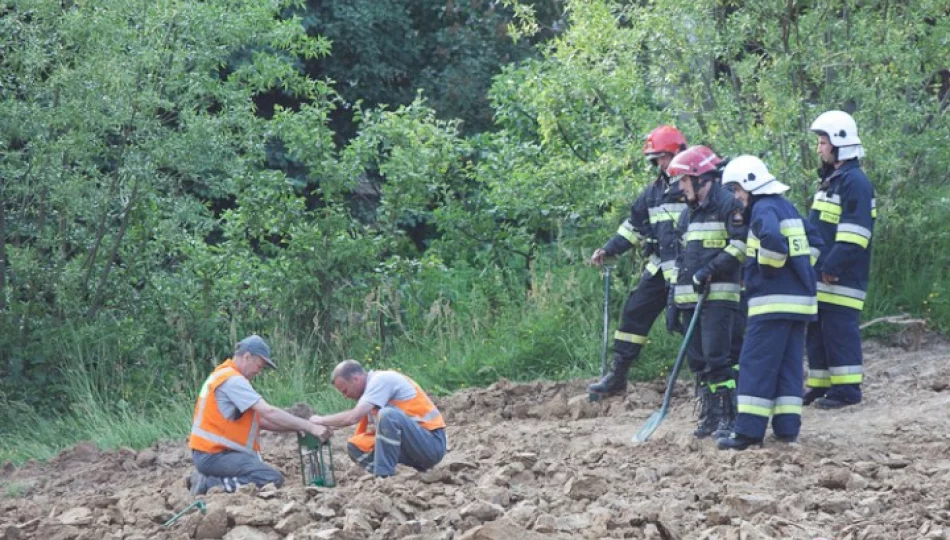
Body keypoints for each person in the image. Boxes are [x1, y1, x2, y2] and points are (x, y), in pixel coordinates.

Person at [716, 156, 823, 450]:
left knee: (756, 364)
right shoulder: (787, 207)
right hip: (800, 303)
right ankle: (787, 429)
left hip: (772, 305)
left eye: (738, 190)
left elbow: (773, 242)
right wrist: (798, 271)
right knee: (789, 366)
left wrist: (768, 271)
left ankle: (748, 433)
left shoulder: (763, 209)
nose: (737, 198)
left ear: (751, 185)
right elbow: (815, 242)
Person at [588, 125, 689, 398]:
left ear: (679, 152)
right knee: (634, 312)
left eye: (663, 158)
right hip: (660, 268)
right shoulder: (653, 192)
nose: (660, 164)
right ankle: (618, 375)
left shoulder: (699, 185)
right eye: (657, 160)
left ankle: (710, 382)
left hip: (690, 271)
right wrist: (609, 250)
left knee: (690, 324)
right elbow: (633, 228)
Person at [666, 145, 745, 439]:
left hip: (718, 298)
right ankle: (710, 413)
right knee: (698, 361)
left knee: (717, 358)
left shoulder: (728, 205)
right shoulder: (688, 215)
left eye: (685, 180)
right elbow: (681, 260)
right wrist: (672, 300)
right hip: (690, 301)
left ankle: (729, 414)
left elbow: (740, 245)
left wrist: (709, 269)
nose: (681, 187)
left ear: (702, 178)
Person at [187, 335, 331, 495]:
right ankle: (209, 484)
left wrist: (296, 427)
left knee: (266, 475)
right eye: (259, 366)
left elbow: (262, 421)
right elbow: (268, 411)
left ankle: (208, 479)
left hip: (213, 454)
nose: (259, 372)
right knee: (270, 478)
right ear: (247, 357)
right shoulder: (233, 381)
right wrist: (309, 426)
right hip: (214, 455)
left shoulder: (225, 376)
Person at [804, 111, 876, 409]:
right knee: (818, 328)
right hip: (824, 272)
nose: (819, 147)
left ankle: (847, 390)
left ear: (840, 143)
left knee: (839, 330)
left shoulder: (855, 182)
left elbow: (857, 234)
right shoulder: (833, 180)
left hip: (842, 275)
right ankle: (820, 385)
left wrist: (833, 267)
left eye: (823, 142)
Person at [309, 360, 447, 477]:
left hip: (431, 443)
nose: (345, 396)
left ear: (355, 380)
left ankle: (384, 477)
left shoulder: (381, 380)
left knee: (388, 415)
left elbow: (352, 418)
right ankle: (402, 475)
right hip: (413, 448)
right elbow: (351, 422)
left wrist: (321, 420)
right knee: (355, 446)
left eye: (345, 390)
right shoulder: (370, 395)